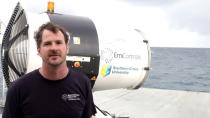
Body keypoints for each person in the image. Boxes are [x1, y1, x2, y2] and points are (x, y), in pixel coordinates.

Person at [2, 22, 96, 118]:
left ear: (67, 48)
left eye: (58, 42)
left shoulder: (83, 83)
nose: (54, 48)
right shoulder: (18, 88)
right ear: (39, 51)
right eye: (47, 44)